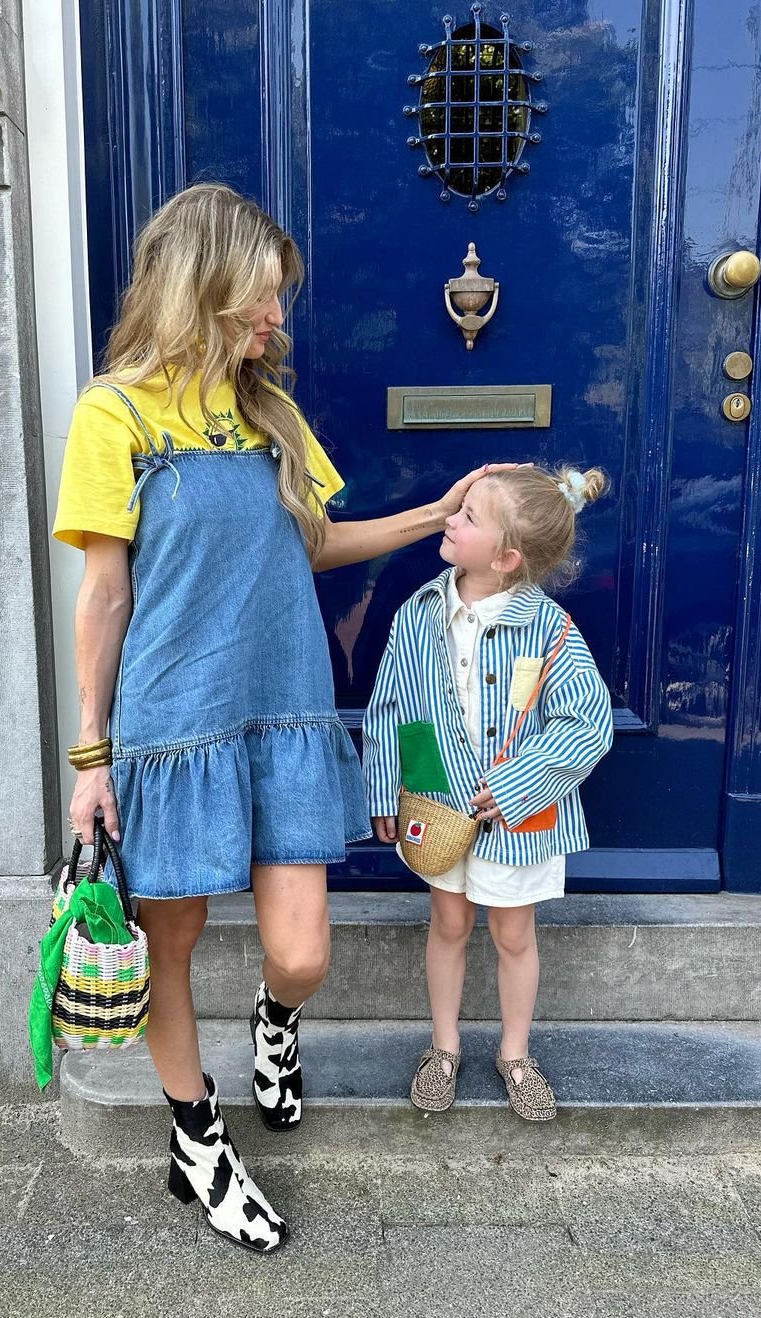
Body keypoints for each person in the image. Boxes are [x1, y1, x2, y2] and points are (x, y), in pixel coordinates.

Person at [53, 182, 513, 1252]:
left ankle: (274, 1024)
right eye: (263, 297)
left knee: (302, 952)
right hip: (173, 721)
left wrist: (432, 515)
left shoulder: (269, 412)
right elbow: (106, 594)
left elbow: (313, 543)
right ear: (202, 285)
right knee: (170, 945)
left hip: (285, 709)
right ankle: (197, 1143)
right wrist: (91, 755)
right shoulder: (113, 412)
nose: (277, 320)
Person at [363, 466, 613, 1121]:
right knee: (447, 923)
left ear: (506, 558)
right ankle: (443, 1048)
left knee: (512, 933)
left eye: (469, 516)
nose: (451, 518)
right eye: (460, 509)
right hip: (438, 806)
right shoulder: (419, 616)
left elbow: (588, 719)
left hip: (517, 821)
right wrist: (386, 787)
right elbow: (389, 705)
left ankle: (515, 1052)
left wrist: (517, 785)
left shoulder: (550, 631)